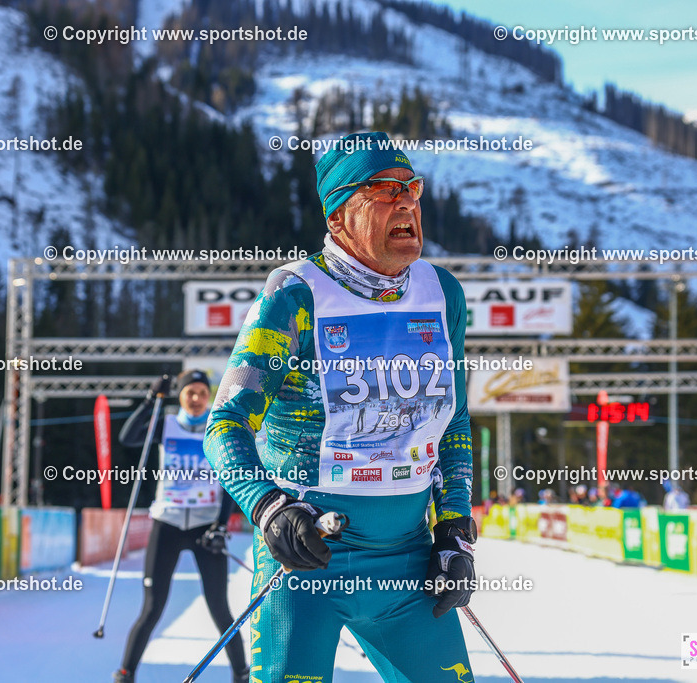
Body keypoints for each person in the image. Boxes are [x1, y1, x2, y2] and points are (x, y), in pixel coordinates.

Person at [205, 131, 476, 682]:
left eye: (413, 188)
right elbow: (225, 421)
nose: (406, 201)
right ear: (337, 220)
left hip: (407, 563)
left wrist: (453, 528)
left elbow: (454, 423)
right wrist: (269, 508)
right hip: (308, 559)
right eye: (383, 189)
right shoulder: (294, 297)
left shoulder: (441, 293)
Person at [114, 369, 249, 683]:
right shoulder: (167, 425)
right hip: (168, 523)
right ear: (181, 396)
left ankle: (240, 674)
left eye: (203, 393)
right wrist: (151, 400)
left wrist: (220, 525)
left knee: (219, 608)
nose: (197, 398)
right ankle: (126, 672)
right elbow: (128, 437)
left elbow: (229, 478)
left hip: (205, 527)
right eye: (191, 392)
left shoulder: (218, 429)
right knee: (152, 608)